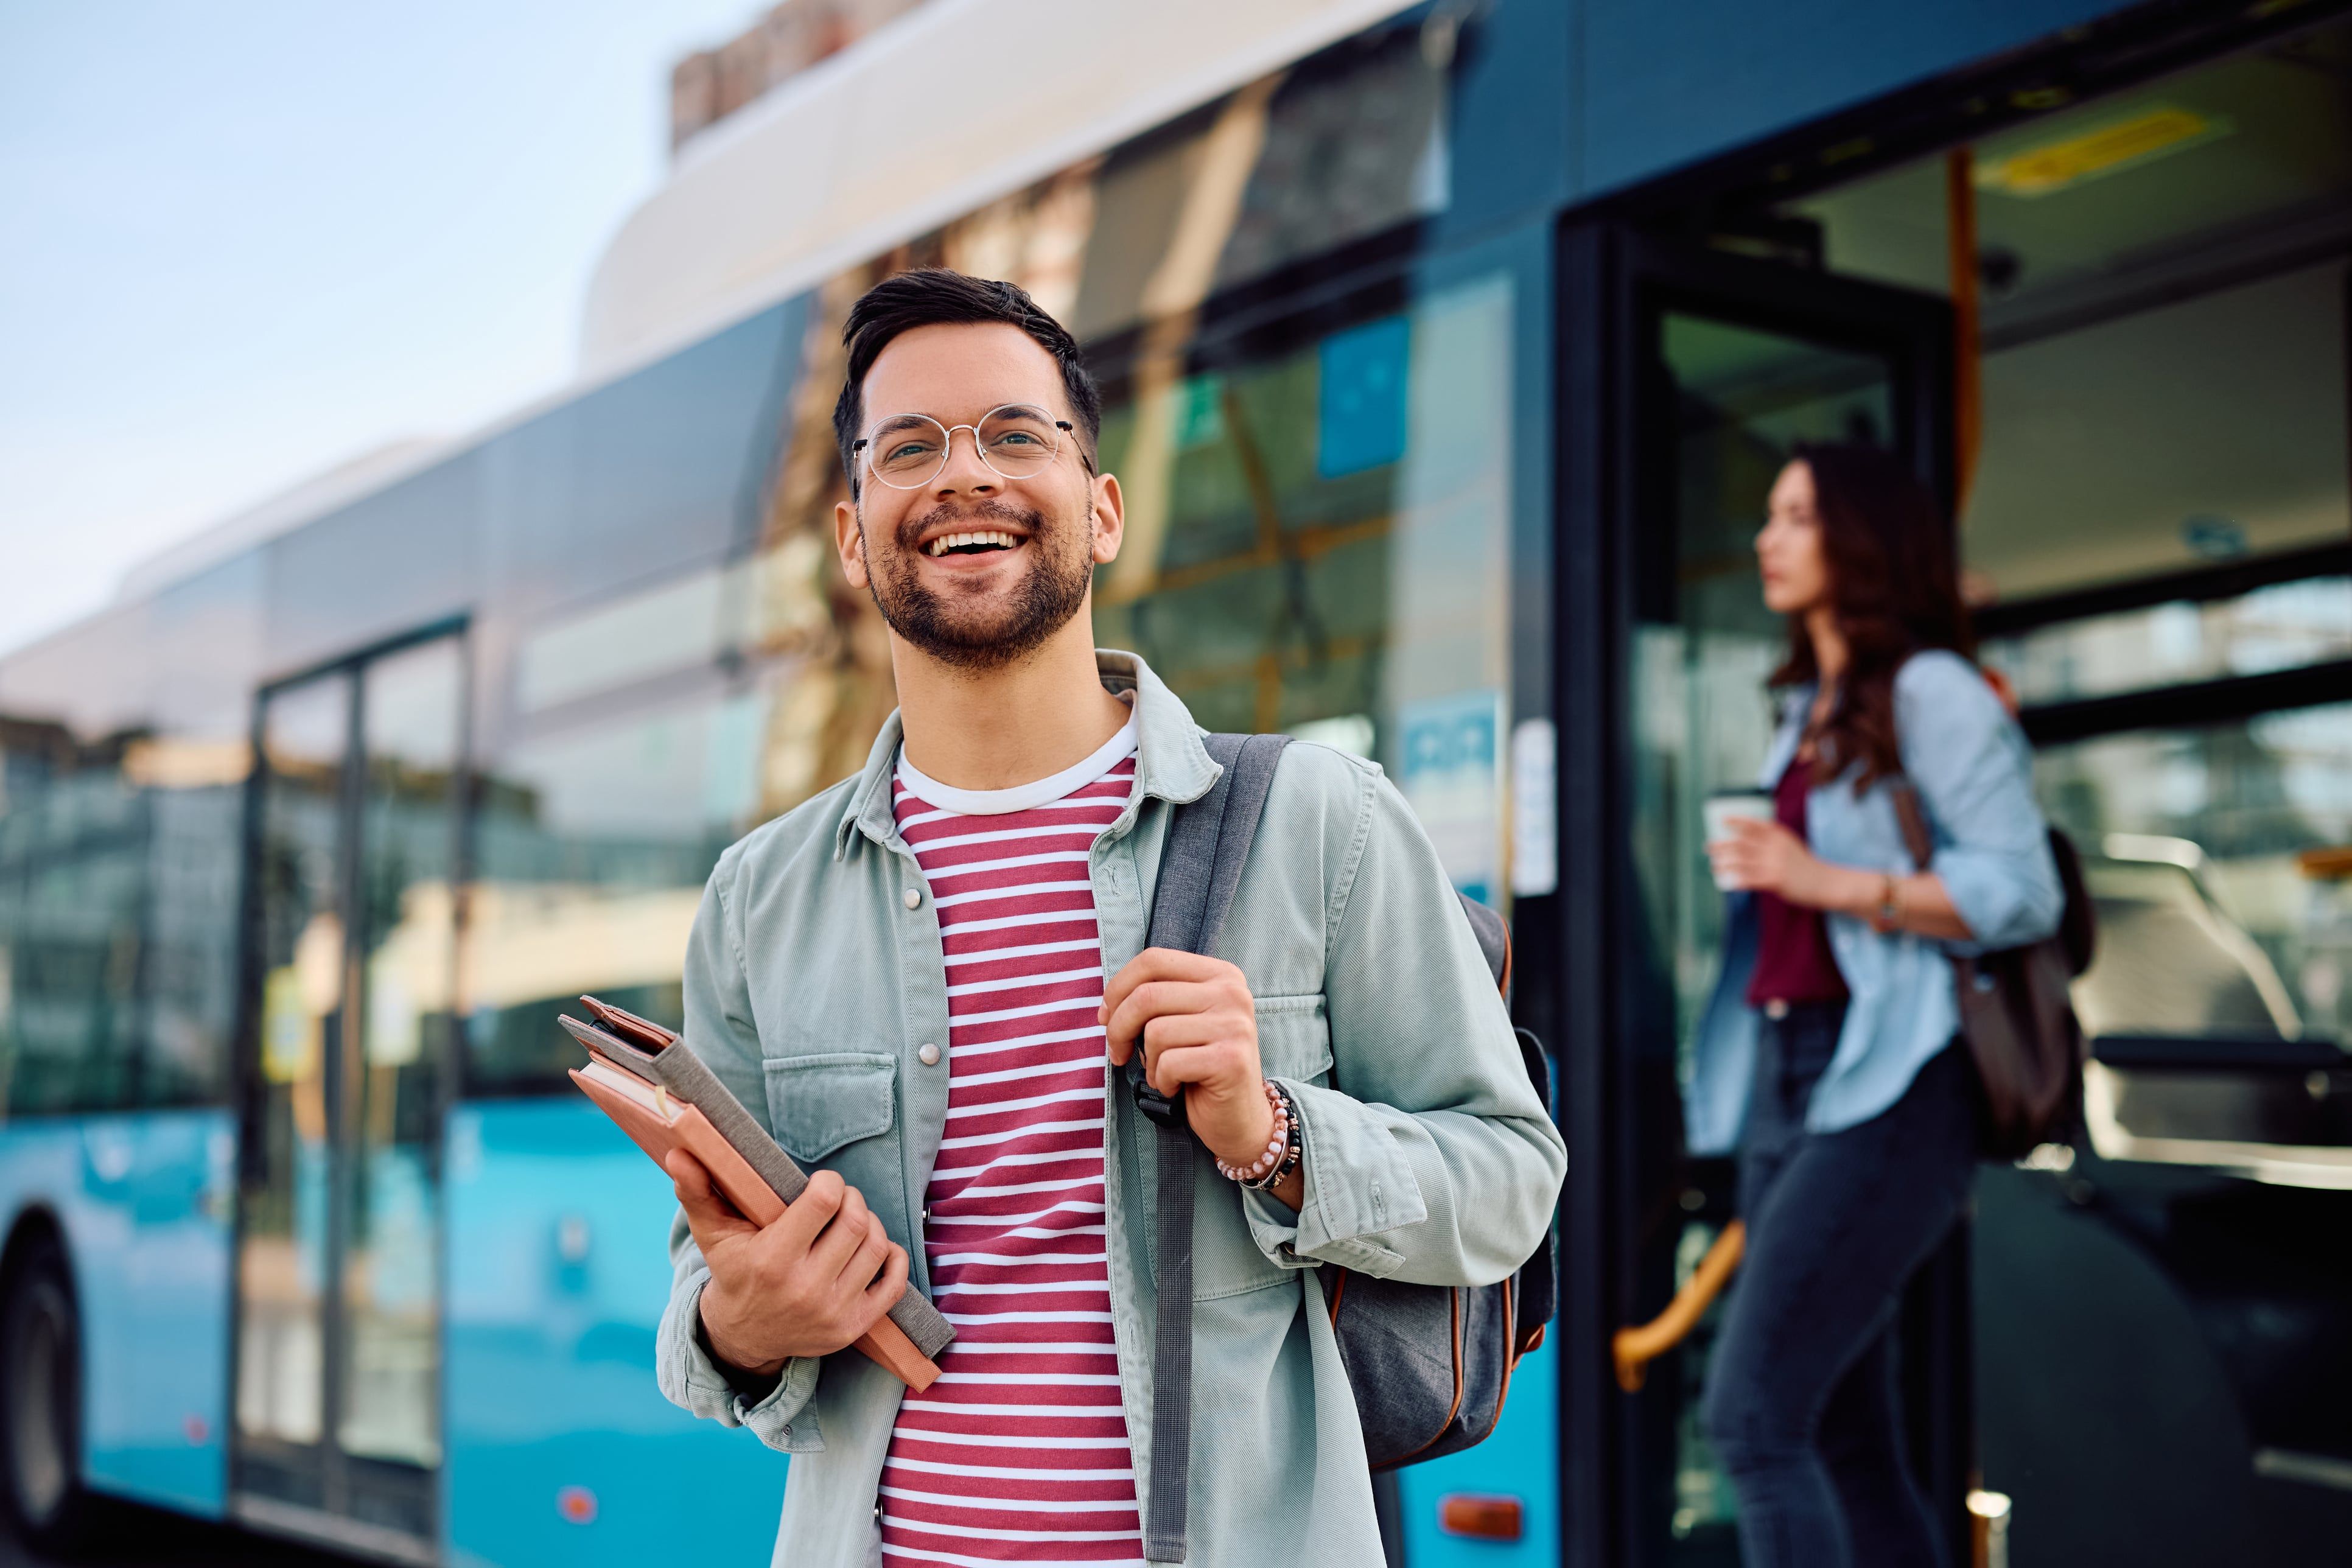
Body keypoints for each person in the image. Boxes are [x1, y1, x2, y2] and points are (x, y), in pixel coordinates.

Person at [651, 268, 1565, 1568]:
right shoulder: (760, 897)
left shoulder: (1322, 820)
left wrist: (1276, 1134)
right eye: (909, 448)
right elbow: (705, 1290)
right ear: (853, 537)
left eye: (1016, 434)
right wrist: (741, 1325)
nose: (966, 474)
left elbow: (1512, 1180)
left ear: (1104, 510)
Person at [1689, 443, 2061, 1568]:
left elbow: (2023, 887)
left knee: (1751, 1420)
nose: (1768, 539)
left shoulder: (1933, 691)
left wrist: (1827, 881)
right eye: (1770, 515)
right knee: (1846, 1436)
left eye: (1798, 516)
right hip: (1789, 1070)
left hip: (1896, 1077)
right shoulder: (1809, 704)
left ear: (1863, 538)